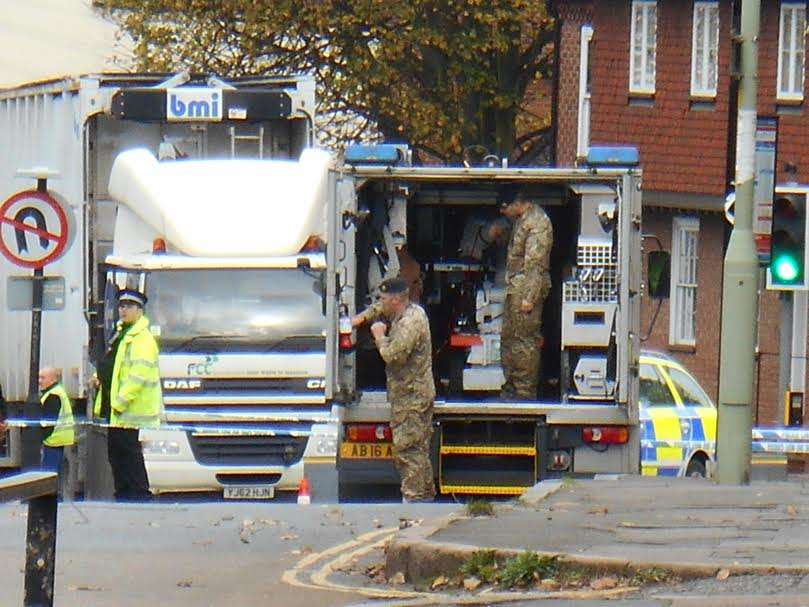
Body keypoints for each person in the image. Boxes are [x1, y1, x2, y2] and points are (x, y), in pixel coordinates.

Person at [352, 277, 436, 502]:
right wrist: (361, 318)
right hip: (408, 394)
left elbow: (393, 356)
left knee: (409, 451)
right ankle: (424, 499)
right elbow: (380, 307)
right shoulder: (403, 310)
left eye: (384, 299)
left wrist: (380, 336)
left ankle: (414, 500)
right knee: (418, 449)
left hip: (412, 397)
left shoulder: (410, 322)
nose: (380, 303)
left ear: (397, 300)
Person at [90, 288, 162, 501]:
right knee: (117, 453)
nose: (123, 310)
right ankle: (123, 493)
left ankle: (138, 494)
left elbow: (137, 376)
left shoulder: (142, 339)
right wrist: (97, 376)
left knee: (129, 453)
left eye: (129, 306)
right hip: (116, 409)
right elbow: (114, 365)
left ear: (140, 311)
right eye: (121, 306)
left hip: (128, 409)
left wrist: (120, 402)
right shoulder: (122, 333)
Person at [489, 192, 553, 400]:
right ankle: (511, 386)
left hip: (525, 289)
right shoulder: (521, 221)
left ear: (517, 203)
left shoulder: (537, 223)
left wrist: (529, 297)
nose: (503, 212)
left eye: (504, 207)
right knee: (509, 339)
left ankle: (524, 391)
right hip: (515, 288)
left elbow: (536, 263)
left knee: (524, 341)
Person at [38, 367, 74, 474]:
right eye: (39, 377)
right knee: (53, 475)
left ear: (53, 380)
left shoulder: (53, 395)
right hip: (57, 440)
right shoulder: (57, 391)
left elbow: (49, 421)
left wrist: (40, 438)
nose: (39, 381)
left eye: (43, 378)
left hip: (53, 440)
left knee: (48, 476)